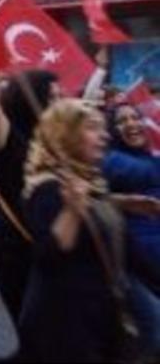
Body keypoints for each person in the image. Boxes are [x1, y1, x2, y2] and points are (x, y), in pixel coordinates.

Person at [18, 99, 130, 362]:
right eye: (92, 128)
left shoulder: (92, 183)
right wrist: (71, 211)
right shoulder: (48, 188)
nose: (104, 136)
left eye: (103, 128)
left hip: (96, 316)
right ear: (65, 134)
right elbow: (49, 256)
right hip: (64, 325)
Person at [0, 70, 60, 335]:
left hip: (55, 249)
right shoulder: (8, 137)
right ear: (32, 99)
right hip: (17, 250)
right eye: (52, 97)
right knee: (39, 335)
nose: (60, 103)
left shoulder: (56, 141)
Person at [102, 102, 160, 357]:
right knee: (153, 327)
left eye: (135, 118)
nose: (131, 124)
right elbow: (141, 173)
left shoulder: (150, 157)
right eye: (122, 121)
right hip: (130, 264)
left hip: (153, 264)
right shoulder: (111, 160)